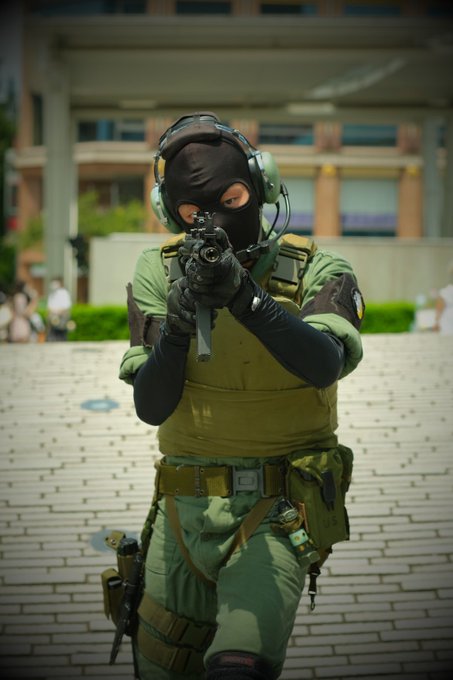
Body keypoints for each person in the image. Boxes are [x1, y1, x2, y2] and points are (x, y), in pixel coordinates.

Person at [118, 112, 365, 680]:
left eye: (232, 199)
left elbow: (324, 363)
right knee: (161, 665)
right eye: (192, 213)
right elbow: (151, 406)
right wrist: (177, 330)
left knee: (240, 662)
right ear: (170, 214)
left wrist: (248, 299)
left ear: (262, 186)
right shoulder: (158, 271)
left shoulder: (317, 268)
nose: (216, 222)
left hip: (278, 511)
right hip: (181, 515)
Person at [46, 277, 72, 341]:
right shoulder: (52, 294)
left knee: (61, 336)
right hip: (52, 319)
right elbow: (49, 308)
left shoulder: (64, 293)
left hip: (61, 319)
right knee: (52, 336)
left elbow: (66, 307)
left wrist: (56, 312)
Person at [433, 261, 453, 335]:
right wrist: (436, 322)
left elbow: (439, 309)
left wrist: (436, 322)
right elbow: (439, 308)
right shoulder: (445, 292)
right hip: (448, 322)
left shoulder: (445, 291)